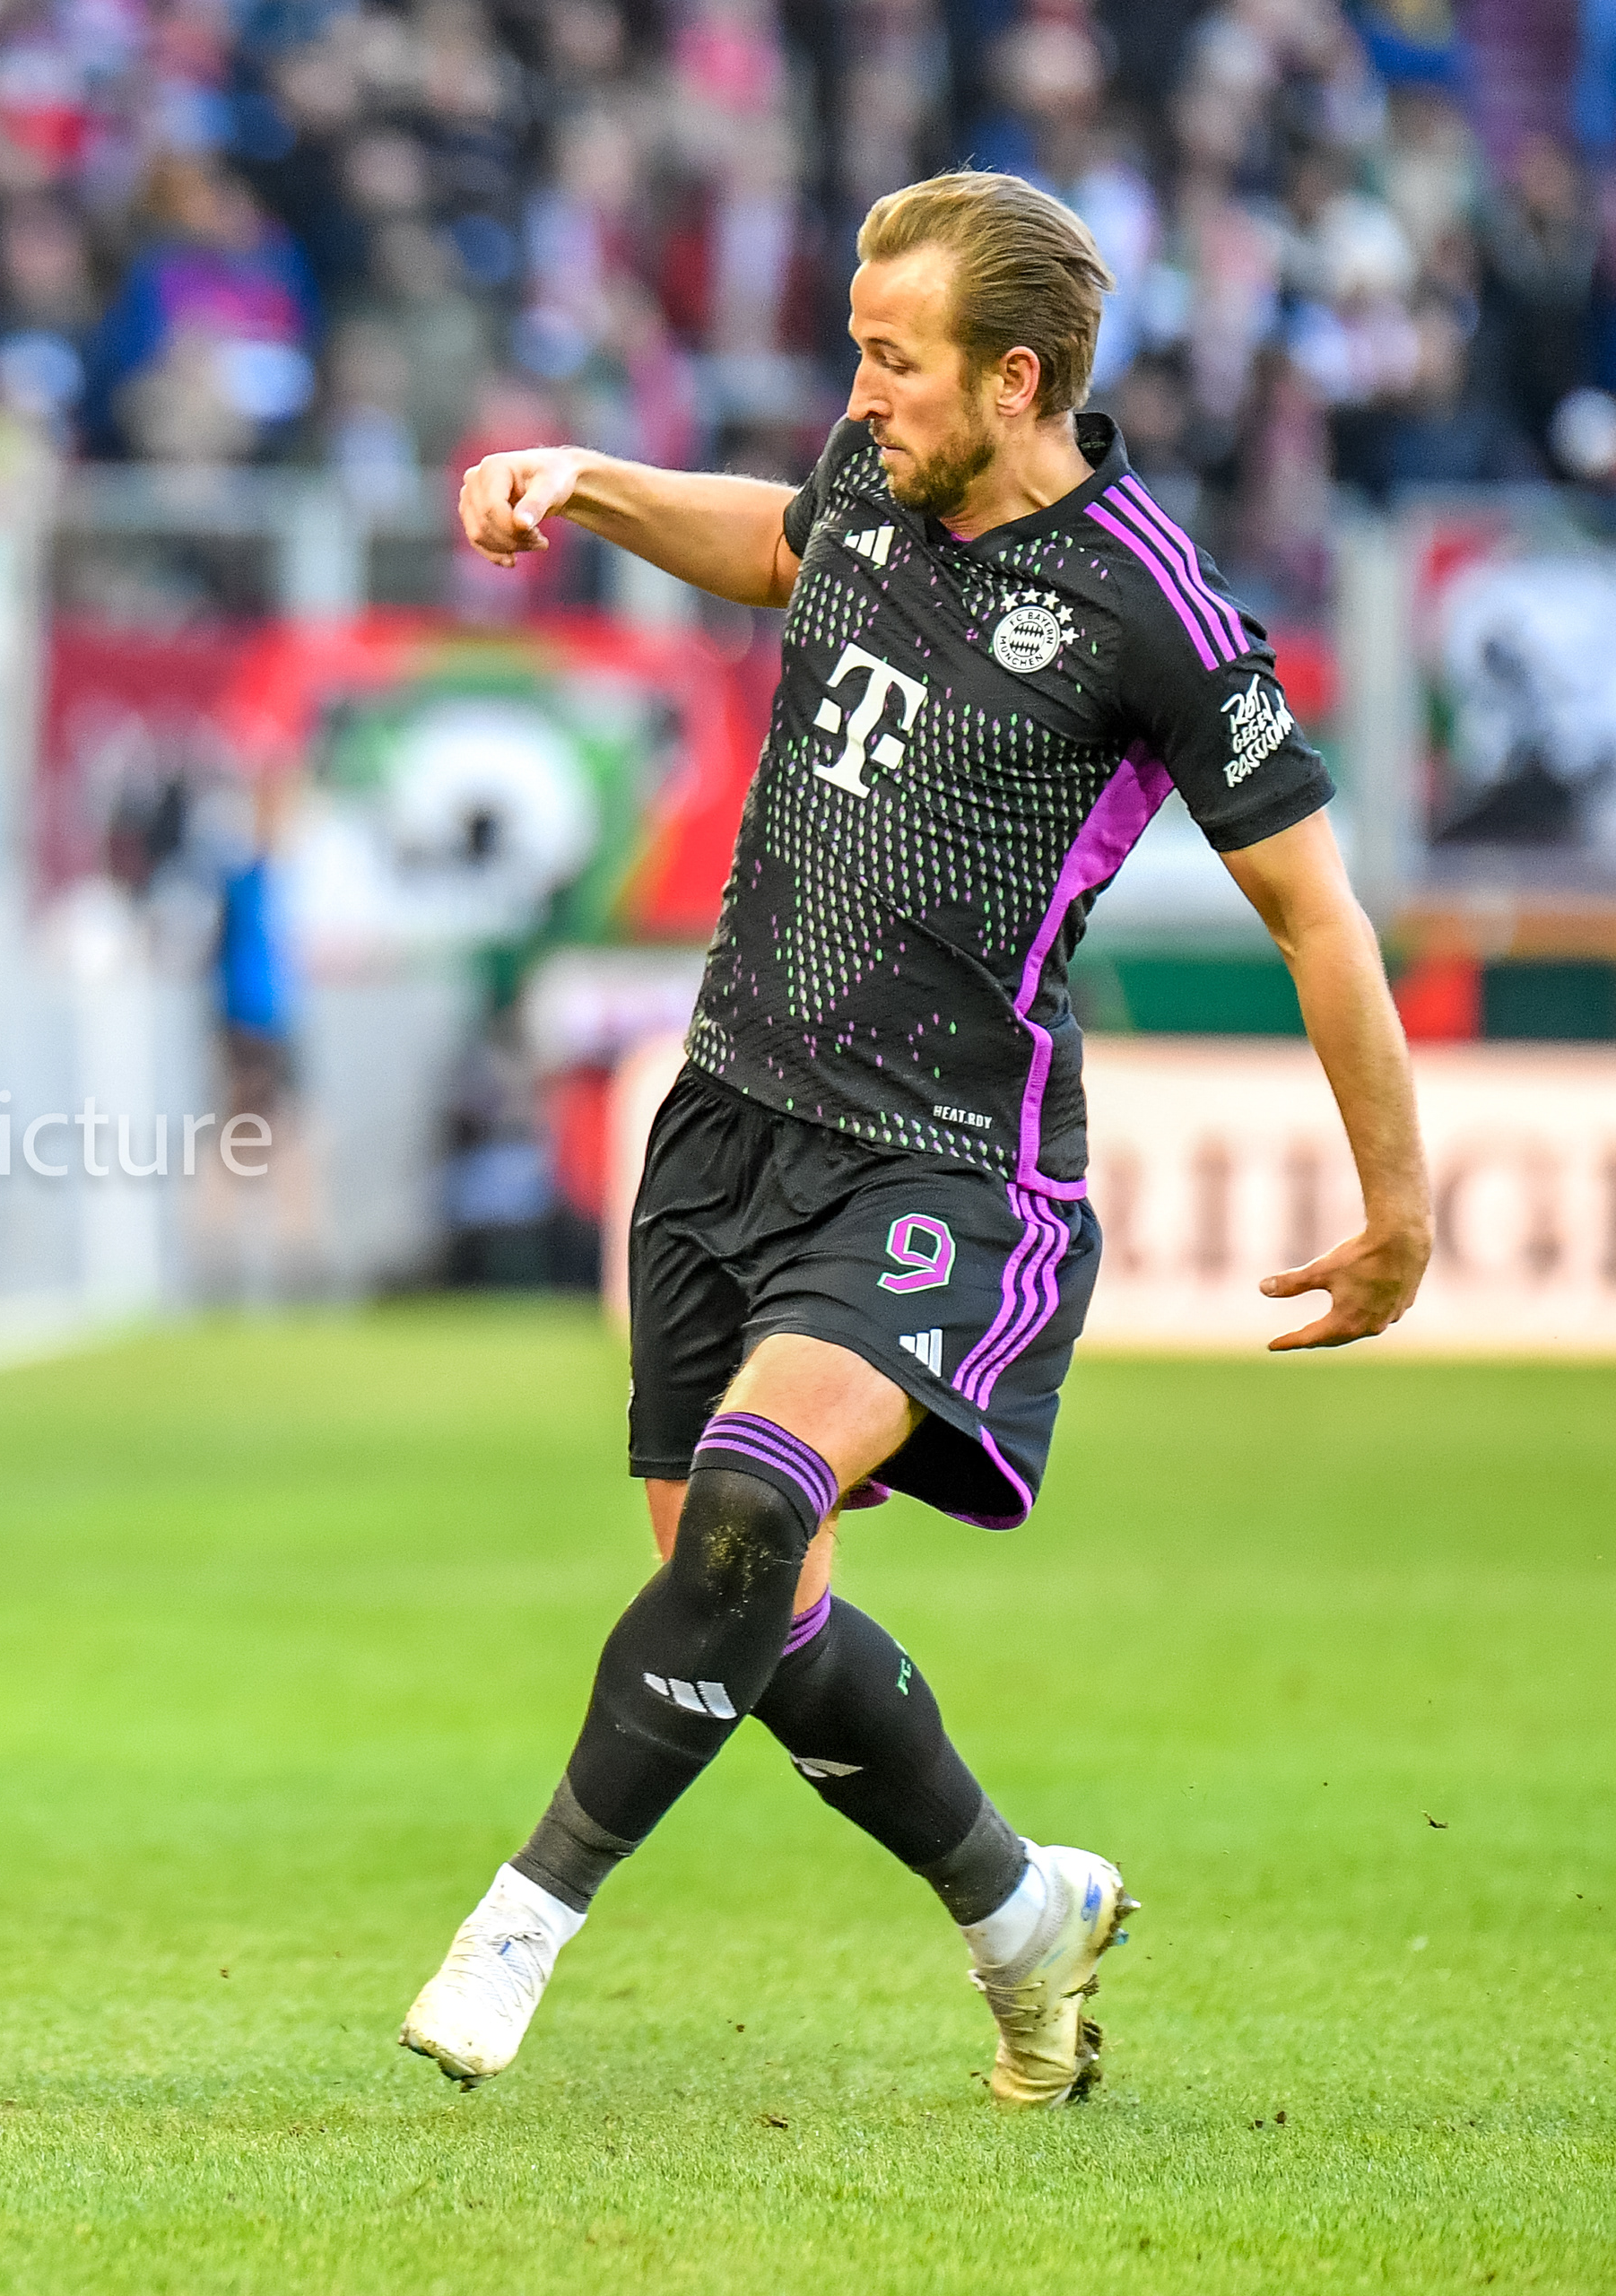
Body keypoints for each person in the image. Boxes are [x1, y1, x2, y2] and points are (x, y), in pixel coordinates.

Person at [410, 173, 1429, 2108]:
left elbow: (1320, 914)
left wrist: (1401, 1207)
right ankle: (1025, 1913)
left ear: (1015, 378)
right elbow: (782, 545)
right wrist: (590, 481)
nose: (861, 391)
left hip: (946, 1164)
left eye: (895, 358)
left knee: (749, 1511)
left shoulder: (1154, 607)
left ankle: (523, 1917)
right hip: (725, 1119)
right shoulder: (878, 472)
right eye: (859, 352)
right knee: (752, 1612)